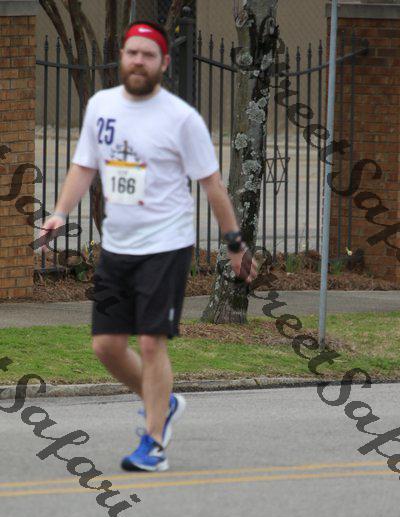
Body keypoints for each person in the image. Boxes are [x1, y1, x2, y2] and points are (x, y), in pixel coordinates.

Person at [39, 20, 258, 473]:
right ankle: (164, 402)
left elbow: (213, 185)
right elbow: (84, 167)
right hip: (117, 246)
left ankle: (154, 443)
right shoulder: (101, 106)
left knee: (151, 342)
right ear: (122, 57)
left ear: (164, 63)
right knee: (106, 346)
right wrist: (60, 212)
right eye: (132, 52)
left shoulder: (181, 118)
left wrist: (235, 244)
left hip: (166, 245)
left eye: (148, 54)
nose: (139, 61)